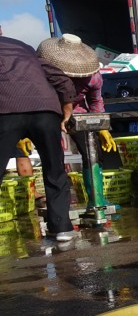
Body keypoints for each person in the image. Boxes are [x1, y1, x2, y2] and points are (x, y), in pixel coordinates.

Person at [0, 34, 78, 241]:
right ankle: (62, 228)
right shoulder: (23, 47)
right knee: (55, 169)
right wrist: (67, 111)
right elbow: (60, 79)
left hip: (6, 111)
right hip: (45, 111)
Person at [36, 34, 118, 202]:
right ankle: (58, 201)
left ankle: (97, 198)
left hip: (78, 113)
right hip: (50, 110)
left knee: (93, 153)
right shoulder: (46, 71)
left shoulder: (93, 76)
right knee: (53, 155)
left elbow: (95, 100)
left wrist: (102, 127)